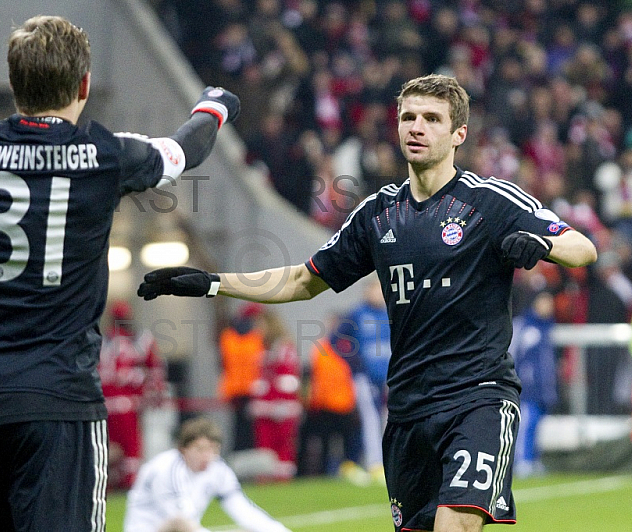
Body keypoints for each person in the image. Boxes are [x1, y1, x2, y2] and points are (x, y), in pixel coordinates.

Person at [137, 74, 597, 532]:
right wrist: (211, 283)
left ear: (458, 135)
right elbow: (302, 280)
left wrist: (539, 246)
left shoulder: (489, 201)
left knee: (455, 525)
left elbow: (582, 247)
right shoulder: (377, 214)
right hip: (408, 409)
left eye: (432, 119)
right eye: (408, 117)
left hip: (478, 397)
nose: (417, 127)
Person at [0, 15, 239, 531]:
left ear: (16, 83)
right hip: (58, 400)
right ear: (84, 85)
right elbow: (186, 150)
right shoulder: (103, 154)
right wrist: (216, 106)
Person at [123, 416, 292, 532]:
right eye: (200, 449)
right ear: (183, 449)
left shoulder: (217, 469)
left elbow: (242, 508)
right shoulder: (166, 470)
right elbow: (179, 522)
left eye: (213, 449)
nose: (207, 456)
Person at [99, 301, 167, 490]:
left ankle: (111, 484)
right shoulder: (140, 340)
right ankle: (129, 484)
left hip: (106, 404)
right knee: (130, 450)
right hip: (128, 404)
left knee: (108, 448)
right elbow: (155, 371)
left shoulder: (101, 341)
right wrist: (156, 394)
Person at [336, 277, 391, 484]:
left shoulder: (389, 313)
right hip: (365, 378)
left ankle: (386, 462)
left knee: (388, 421)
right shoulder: (357, 314)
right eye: (373, 290)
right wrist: (354, 362)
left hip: (389, 377)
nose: (377, 294)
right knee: (369, 420)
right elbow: (336, 340)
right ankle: (374, 464)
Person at [297, 315, 360, 479]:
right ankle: (324, 472)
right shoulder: (321, 347)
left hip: (345, 403)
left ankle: (349, 469)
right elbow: (312, 376)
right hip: (324, 404)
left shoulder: (349, 348)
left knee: (347, 442)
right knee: (325, 442)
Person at [248, 307, 302, 481]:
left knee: (283, 446)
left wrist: (278, 403)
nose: (258, 329)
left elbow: (287, 380)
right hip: (265, 408)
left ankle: (282, 479)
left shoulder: (284, 347)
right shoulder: (262, 347)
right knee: (265, 445)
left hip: (282, 408)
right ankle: (266, 476)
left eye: (260, 324)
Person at [509, 290, 558, 477]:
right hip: (527, 388)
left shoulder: (547, 327)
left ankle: (532, 458)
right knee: (525, 425)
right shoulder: (523, 326)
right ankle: (523, 461)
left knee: (536, 425)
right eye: (545, 301)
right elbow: (511, 354)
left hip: (543, 388)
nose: (549, 306)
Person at [216, 302, 266, 452]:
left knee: (240, 428)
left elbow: (223, 364)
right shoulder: (256, 337)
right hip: (249, 389)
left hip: (235, 388)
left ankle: (242, 460)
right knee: (248, 430)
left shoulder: (227, 336)